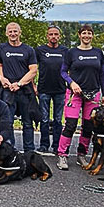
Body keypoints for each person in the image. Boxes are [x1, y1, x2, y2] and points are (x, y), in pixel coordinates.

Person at [56, 24, 104, 170]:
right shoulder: (71, 52)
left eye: (89, 33)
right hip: (75, 94)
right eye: (84, 33)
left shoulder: (98, 52)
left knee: (88, 126)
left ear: (92, 35)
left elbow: (102, 75)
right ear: (79, 35)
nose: (87, 36)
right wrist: (71, 83)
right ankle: (62, 154)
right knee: (71, 124)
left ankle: (81, 154)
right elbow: (63, 72)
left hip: (93, 94)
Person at [0, 22, 38, 153]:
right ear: (6, 33)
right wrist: (2, 78)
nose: (13, 34)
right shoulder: (2, 48)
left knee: (28, 122)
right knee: (7, 122)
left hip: (24, 90)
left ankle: (29, 151)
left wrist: (19, 84)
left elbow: (33, 70)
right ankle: (10, 150)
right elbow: (0, 65)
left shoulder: (28, 50)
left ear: (20, 33)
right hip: (8, 91)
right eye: (10, 31)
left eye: (15, 31)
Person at [35, 25, 69, 156]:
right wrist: (34, 86)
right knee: (44, 119)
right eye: (51, 34)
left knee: (58, 120)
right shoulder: (40, 50)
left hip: (60, 90)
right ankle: (44, 145)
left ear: (59, 36)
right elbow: (32, 68)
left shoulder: (65, 51)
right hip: (44, 89)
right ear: (47, 36)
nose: (53, 36)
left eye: (56, 34)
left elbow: (70, 69)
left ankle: (56, 145)